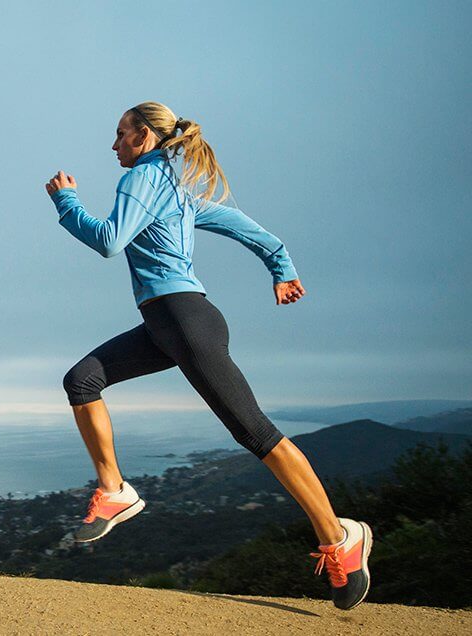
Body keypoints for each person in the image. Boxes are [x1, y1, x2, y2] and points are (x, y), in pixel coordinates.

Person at [43, 101, 372, 610]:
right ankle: (115, 490)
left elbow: (110, 242)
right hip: (166, 325)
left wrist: (68, 203)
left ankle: (340, 538)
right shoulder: (174, 189)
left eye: (120, 134)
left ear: (146, 138)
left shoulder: (144, 180)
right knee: (82, 380)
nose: (113, 145)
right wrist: (280, 266)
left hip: (186, 324)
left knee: (256, 433)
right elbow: (242, 224)